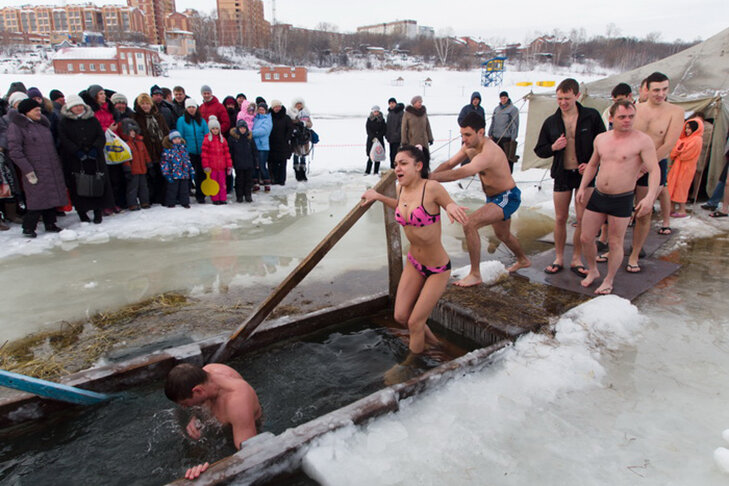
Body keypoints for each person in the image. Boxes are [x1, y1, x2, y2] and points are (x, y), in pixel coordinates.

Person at [361, 145, 467, 368]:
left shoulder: (432, 188)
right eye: (396, 164)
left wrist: (452, 207)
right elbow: (400, 206)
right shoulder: (401, 188)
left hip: (437, 269)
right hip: (414, 263)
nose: (397, 168)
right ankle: (435, 344)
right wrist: (378, 196)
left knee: (415, 321)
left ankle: (409, 366)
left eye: (403, 163)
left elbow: (448, 203)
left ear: (418, 166)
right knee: (401, 317)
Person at [430, 112, 531, 285]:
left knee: (470, 223)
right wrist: (429, 175)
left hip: (508, 196)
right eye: (462, 134)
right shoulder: (469, 146)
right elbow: (449, 164)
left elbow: (459, 173)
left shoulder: (488, 152)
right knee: (503, 235)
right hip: (493, 197)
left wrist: (430, 179)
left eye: (468, 135)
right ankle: (523, 260)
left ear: (481, 132)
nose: (464, 139)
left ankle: (475, 274)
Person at [576, 100, 661, 295]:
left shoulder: (642, 140)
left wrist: (649, 197)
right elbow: (592, 165)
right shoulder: (601, 139)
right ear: (611, 118)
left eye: (631, 116)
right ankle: (593, 270)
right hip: (599, 195)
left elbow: (654, 169)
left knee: (615, 242)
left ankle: (609, 279)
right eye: (622, 117)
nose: (627, 121)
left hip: (622, 198)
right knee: (586, 237)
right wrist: (582, 187)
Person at [534, 78, 606, 277]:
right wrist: (553, 147)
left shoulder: (591, 117)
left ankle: (576, 258)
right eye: (559, 98)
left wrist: (592, 163)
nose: (563, 102)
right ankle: (558, 257)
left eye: (567, 98)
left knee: (582, 219)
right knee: (560, 218)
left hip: (585, 174)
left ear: (577, 95)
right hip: (563, 173)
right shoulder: (551, 122)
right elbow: (539, 150)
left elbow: (604, 144)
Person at [164, 363, 263, 481]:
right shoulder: (206, 373)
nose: (185, 407)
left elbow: (250, 456)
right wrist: (194, 416)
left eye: (185, 403)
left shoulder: (237, 402)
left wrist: (211, 470)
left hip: (239, 429)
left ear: (198, 390)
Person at [628, 71, 685, 272]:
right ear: (646, 89)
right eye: (656, 90)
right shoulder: (636, 109)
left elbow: (669, 144)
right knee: (620, 209)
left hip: (654, 164)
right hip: (630, 164)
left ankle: (635, 253)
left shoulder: (675, 112)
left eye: (664, 89)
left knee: (644, 211)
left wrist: (646, 166)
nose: (660, 94)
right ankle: (612, 248)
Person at [7, 98, 67, 237]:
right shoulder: (17, 126)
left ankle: (50, 223)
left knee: (51, 196)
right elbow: (15, 152)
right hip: (34, 169)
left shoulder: (42, 125)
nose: (39, 112)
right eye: (36, 110)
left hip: (50, 166)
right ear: (26, 112)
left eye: (40, 110)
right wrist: (28, 171)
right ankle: (28, 227)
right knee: (37, 200)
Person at [58, 94, 113, 224]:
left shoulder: (92, 119)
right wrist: (76, 151)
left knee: (98, 183)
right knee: (79, 186)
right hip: (76, 160)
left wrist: (95, 148)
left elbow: (101, 136)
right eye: (75, 106)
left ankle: (97, 211)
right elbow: (64, 139)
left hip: (95, 158)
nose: (78, 108)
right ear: (70, 108)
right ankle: (82, 212)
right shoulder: (64, 122)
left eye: (80, 105)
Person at [133, 93, 170, 205]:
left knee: (161, 174)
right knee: (149, 176)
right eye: (142, 104)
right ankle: (150, 198)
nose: (145, 106)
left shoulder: (159, 116)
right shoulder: (136, 118)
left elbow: (166, 131)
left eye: (147, 103)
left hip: (160, 149)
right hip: (145, 151)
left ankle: (162, 197)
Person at [667, 119, 703, 218]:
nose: (687, 130)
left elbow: (685, 155)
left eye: (689, 128)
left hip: (687, 168)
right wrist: (678, 150)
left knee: (682, 187)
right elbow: (673, 152)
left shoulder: (697, 139)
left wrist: (678, 150)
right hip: (677, 166)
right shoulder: (684, 139)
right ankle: (672, 207)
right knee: (672, 185)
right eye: (686, 128)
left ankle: (682, 209)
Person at [176, 98, 209, 204]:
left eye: (193, 107)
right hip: (188, 151)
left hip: (201, 151)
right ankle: (186, 195)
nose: (191, 109)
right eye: (189, 107)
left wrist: (206, 147)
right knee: (188, 175)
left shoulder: (201, 120)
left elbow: (206, 134)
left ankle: (201, 195)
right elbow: (180, 135)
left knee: (201, 174)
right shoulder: (181, 120)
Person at [118, 118, 151, 210]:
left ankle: (145, 201)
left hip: (142, 168)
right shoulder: (125, 144)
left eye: (134, 130)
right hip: (133, 170)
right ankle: (132, 203)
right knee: (132, 188)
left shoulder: (140, 142)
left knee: (143, 187)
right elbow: (126, 158)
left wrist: (149, 164)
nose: (132, 133)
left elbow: (145, 154)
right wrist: (127, 168)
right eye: (130, 131)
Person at [201, 116, 232, 204]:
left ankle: (222, 198)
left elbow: (227, 153)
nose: (215, 130)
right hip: (212, 168)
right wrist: (206, 165)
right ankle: (215, 199)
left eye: (217, 128)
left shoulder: (223, 140)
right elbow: (204, 154)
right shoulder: (207, 140)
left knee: (222, 183)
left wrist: (229, 165)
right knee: (214, 183)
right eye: (213, 128)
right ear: (210, 129)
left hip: (221, 167)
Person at [161, 130, 195, 208]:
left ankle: (185, 202)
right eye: (175, 139)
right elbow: (165, 162)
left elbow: (187, 161)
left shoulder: (183, 149)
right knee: (172, 189)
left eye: (179, 138)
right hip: (173, 174)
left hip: (184, 173)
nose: (177, 140)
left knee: (184, 190)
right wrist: (166, 173)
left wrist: (191, 171)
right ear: (171, 140)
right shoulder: (168, 150)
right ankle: (171, 202)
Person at [488, 91, 519, 173]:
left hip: (506, 138)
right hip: (496, 137)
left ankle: (508, 175)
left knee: (508, 158)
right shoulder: (496, 109)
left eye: (504, 98)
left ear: (507, 98)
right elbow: (493, 122)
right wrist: (490, 133)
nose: (503, 100)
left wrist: (513, 137)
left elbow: (515, 124)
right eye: (501, 98)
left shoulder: (513, 109)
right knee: (496, 158)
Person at [228, 119, 258, 203]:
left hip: (249, 163)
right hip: (238, 164)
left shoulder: (249, 138)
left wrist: (256, 162)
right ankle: (239, 196)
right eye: (241, 128)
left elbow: (254, 150)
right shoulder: (233, 139)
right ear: (238, 128)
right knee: (239, 181)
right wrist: (232, 162)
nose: (242, 130)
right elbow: (230, 151)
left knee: (248, 180)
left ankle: (248, 195)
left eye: (244, 128)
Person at [401, 95, 433, 163]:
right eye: (419, 102)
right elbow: (403, 128)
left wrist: (430, 138)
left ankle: (425, 171)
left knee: (425, 158)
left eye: (421, 102)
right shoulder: (407, 113)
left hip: (424, 140)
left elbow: (427, 126)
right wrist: (404, 141)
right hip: (412, 140)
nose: (420, 104)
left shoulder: (423, 112)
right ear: (414, 103)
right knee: (414, 158)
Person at [268, 99, 293, 186]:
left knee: (282, 163)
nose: (277, 108)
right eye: (275, 107)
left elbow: (290, 129)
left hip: (283, 144)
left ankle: (281, 180)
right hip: (271, 144)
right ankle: (273, 179)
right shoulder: (269, 116)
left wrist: (286, 138)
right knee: (272, 163)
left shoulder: (286, 117)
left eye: (279, 106)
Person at [288, 97, 313, 182]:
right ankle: (297, 172)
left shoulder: (306, 112)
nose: (299, 106)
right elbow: (290, 122)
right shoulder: (291, 112)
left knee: (303, 155)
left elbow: (310, 124)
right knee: (296, 154)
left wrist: (304, 123)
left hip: (304, 137)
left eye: (300, 104)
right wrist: (297, 123)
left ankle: (303, 172)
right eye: (297, 104)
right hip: (296, 137)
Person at [252, 102, 273, 192]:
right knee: (254, 165)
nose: (261, 111)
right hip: (254, 146)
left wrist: (250, 133)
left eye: (262, 110)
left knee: (261, 165)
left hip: (263, 147)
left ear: (265, 110)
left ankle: (267, 182)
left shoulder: (267, 119)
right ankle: (255, 182)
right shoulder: (255, 118)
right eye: (259, 109)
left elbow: (264, 131)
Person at [365, 105, 386, 175]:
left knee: (378, 156)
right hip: (371, 140)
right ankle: (367, 171)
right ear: (372, 112)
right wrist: (373, 137)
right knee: (371, 157)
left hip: (379, 140)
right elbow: (368, 130)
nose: (376, 113)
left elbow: (384, 129)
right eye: (375, 111)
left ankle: (376, 172)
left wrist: (378, 137)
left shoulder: (382, 120)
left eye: (377, 111)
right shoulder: (369, 120)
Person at [385, 97, 404, 168]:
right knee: (391, 154)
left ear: (395, 103)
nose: (391, 105)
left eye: (393, 103)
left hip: (397, 138)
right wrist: (387, 135)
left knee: (396, 154)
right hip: (391, 138)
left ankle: (397, 168)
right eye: (390, 103)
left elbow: (402, 125)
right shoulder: (389, 113)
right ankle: (392, 168)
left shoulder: (400, 113)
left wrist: (398, 134)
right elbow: (388, 126)